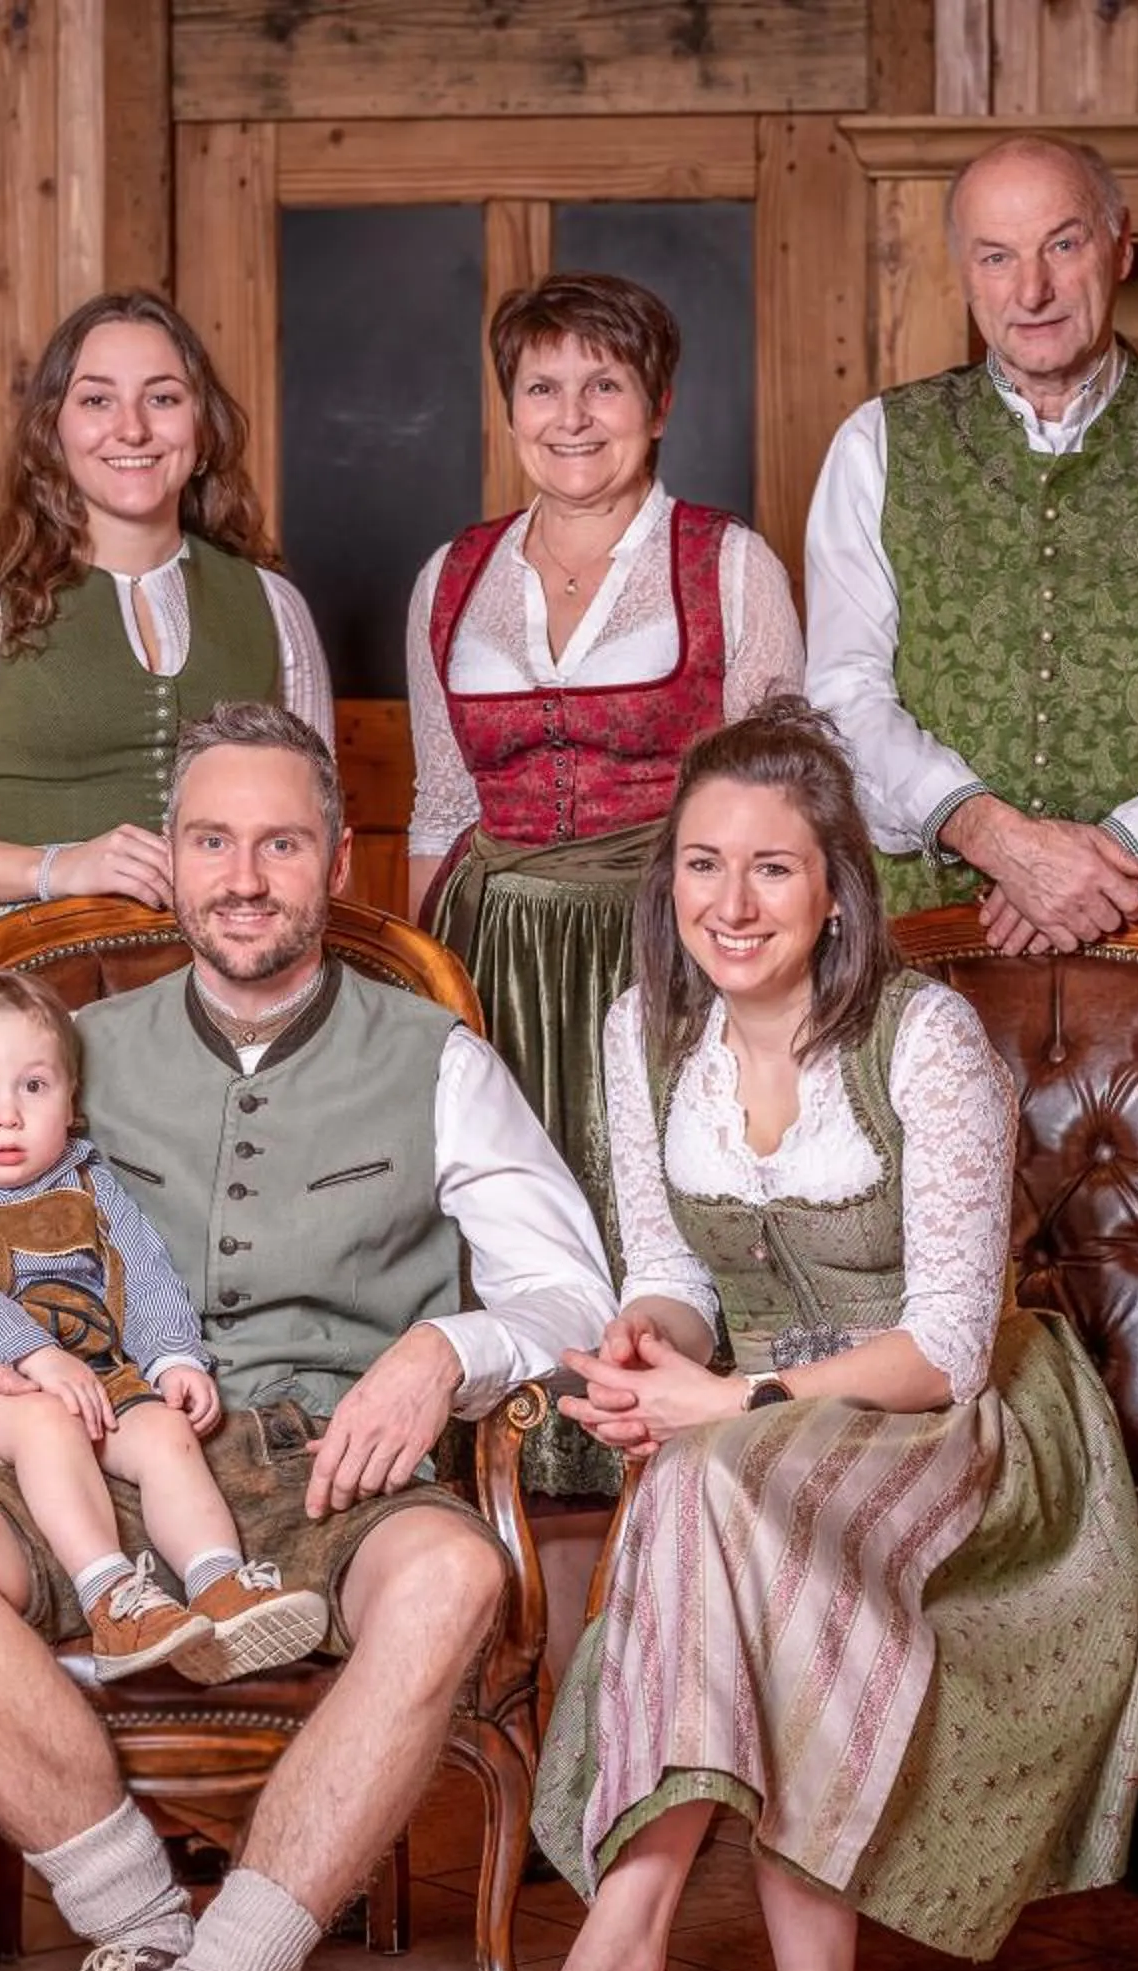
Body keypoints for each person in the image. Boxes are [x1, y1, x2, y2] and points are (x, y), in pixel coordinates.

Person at [0, 703, 614, 1971]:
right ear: (168, 865)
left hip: (332, 1456)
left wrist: (446, 1352)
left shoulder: (433, 1054)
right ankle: (139, 1937)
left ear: (334, 861)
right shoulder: (72, 1048)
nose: (243, 875)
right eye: (210, 840)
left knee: (456, 1569)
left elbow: (570, 1287)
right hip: (102, 1453)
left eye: (280, 841)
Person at [447, 699, 1138, 1971]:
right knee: (731, 1502)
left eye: (771, 869)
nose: (729, 903)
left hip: (966, 1435)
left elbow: (949, 1349)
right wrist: (654, 1345)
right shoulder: (642, 1038)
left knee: (712, 1484)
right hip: (763, 1445)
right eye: (702, 866)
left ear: (837, 885)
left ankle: (619, 1966)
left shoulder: (925, 1040)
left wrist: (723, 1411)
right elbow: (672, 1273)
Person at [804, 132, 1138, 953]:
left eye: (1064, 244)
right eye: (997, 257)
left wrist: (1129, 854)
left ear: (1121, 246)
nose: (1033, 289)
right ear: (965, 274)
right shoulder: (876, 444)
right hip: (928, 948)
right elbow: (843, 696)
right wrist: (995, 839)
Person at [408, 272, 804, 1247]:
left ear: (659, 404)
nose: (572, 417)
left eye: (606, 385)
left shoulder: (730, 566)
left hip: (672, 949)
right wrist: (424, 998)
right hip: (495, 956)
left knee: (670, 1223)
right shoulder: (451, 576)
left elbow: (787, 805)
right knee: (507, 1226)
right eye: (543, 388)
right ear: (510, 412)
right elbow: (440, 803)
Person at [0, 965, 327, 1684]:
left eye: (34, 1086)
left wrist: (172, 1356)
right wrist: (33, 1357)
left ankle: (220, 1587)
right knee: (49, 1424)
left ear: (71, 1100)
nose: (8, 1115)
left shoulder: (92, 1180)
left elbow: (145, 1275)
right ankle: (114, 1600)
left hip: (98, 1377)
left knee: (166, 1433)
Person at [0, 291, 333, 917]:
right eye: (96, 400)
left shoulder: (274, 605)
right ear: (54, 430)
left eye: (162, 399)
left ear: (204, 428)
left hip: (227, 985)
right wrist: (57, 867)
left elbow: (316, 828)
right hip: (39, 972)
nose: (131, 428)